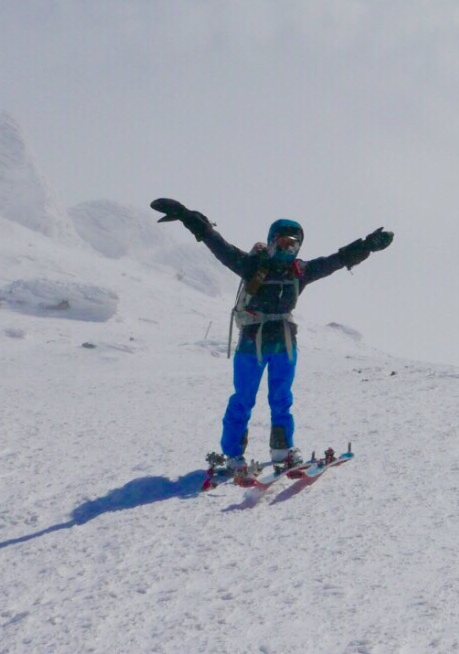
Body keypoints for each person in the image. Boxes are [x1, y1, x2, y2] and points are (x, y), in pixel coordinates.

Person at [151, 198, 393, 476]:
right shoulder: (251, 266)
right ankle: (232, 454)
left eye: (294, 244)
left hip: (284, 344)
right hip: (251, 344)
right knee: (243, 398)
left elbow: (335, 261)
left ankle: (282, 450)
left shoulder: (301, 272)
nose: (288, 248)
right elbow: (218, 245)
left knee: (281, 397)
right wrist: (189, 217)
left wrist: (366, 246)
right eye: (283, 242)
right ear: (271, 241)